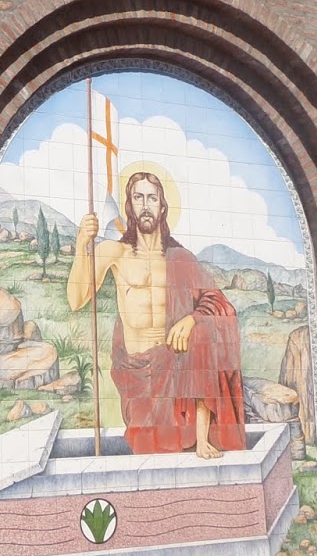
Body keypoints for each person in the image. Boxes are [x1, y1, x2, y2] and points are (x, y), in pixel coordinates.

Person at [67, 171, 244, 458]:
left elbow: (217, 302)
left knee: (202, 333)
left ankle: (201, 439)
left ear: (163, 207)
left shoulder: (180, 259)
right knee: (148, 448)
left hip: (175, 369)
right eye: (139, 197)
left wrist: (191, 319)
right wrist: (80, 246)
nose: (145, 205)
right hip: (138, 374)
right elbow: (76, 299)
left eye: (152, 198)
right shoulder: (115, 252)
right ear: (129, 206)